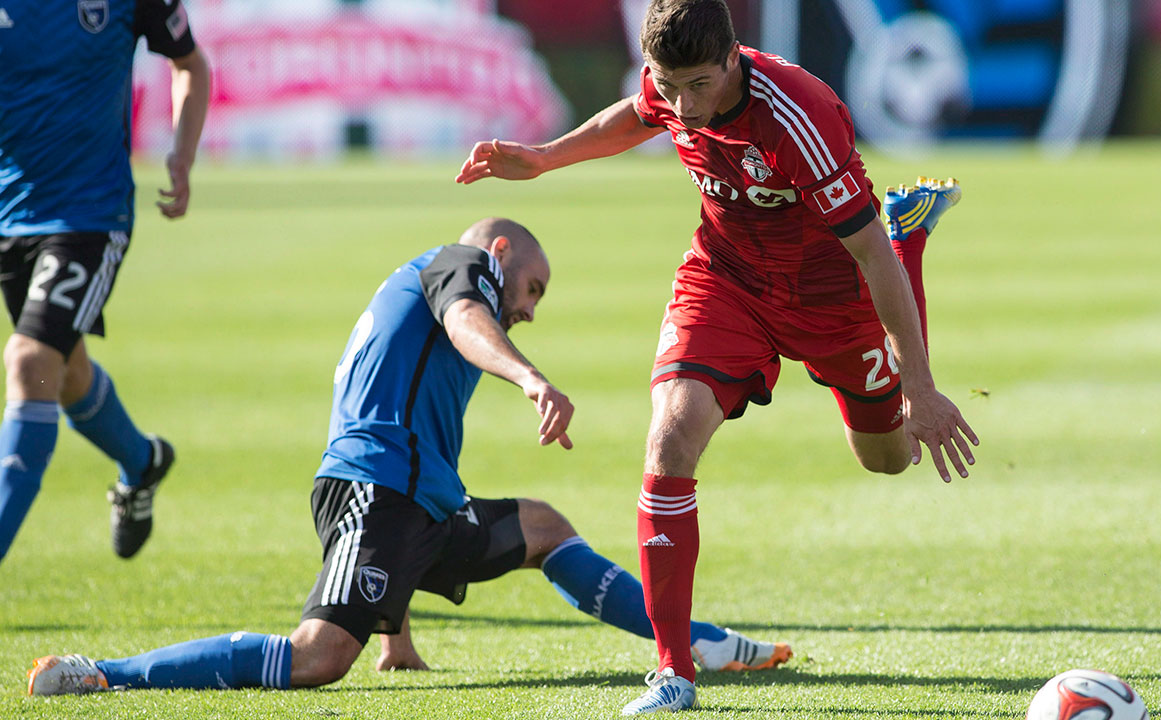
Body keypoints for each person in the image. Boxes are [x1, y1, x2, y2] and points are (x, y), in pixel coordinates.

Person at [455, 1, 979, 713]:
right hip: (727, 280)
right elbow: (634, 116)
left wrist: (918, 382)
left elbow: (865, 253)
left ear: (734, 58)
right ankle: (674, 674)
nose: (683, 104)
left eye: (698, 85)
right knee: (670, 437)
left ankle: (908, 234)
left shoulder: (798, 112)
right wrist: (545, 158)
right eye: (669, 85)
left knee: (887, 458)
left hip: (835, 296)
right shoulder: (671, 88)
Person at [26, 218, 791, 697]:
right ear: (498, 254)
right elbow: (465, 320)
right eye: (532, 287)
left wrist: (398, 633)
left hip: (415, 499)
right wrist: (529, 376)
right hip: (374, 490)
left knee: (545, 528)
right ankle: (105, 673)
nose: (529, 307)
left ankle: (692, 643)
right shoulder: (457, 268)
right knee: (317, 659)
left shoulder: (433, 298)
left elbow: (420, 417)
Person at [0, 0, 211, 564]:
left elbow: (189, 63)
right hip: (9, 215)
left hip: (89, 218)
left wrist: (182, 157)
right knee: (65, 374)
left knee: (29, 361)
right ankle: (143, 463)